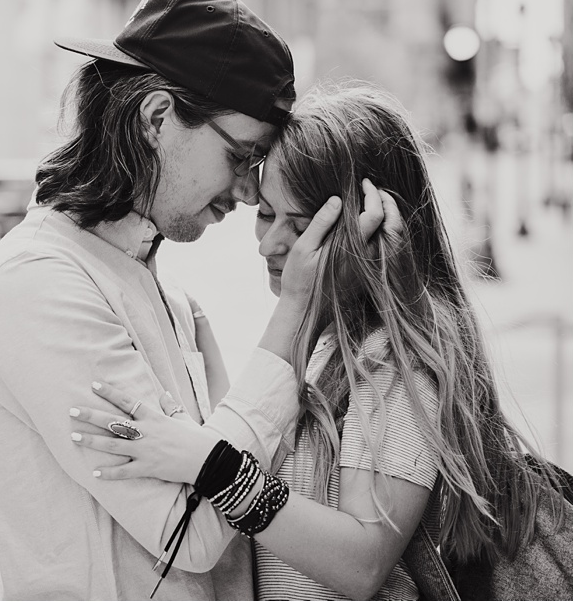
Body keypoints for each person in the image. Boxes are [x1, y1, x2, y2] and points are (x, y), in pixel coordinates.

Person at [0, 0, 396, 599]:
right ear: (158, 118)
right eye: (241, 156)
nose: (248, 192)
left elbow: (243, 493)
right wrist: (297, 310)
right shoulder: (35, 287)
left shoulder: (167, 297)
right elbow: (190, 531)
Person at [70, 82, 564, 599]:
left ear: (367, 224)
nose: (269, 243)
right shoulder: (333, 335)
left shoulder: (395, 354)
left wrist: (209, 463)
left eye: (301, 225)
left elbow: (361, 561)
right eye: (265, 214)